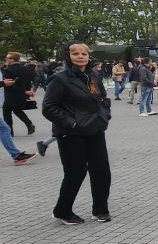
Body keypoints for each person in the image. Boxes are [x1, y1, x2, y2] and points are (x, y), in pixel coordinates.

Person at [42, 43, 113, 225]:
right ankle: (62, 211)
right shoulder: (60, 79)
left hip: (95, 129)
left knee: (102, 171)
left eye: (84, 54)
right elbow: (49, 107)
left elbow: (103, 99)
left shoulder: (93, 76)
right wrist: (72, 123)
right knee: (75, 172)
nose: (81, 56)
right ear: (68, 56)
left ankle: (100, 209)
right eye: (75, 54)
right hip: (71, 133)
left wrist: (104, 116)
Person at [2, 52, 37, 135]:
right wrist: (27, 91)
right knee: (17, 109)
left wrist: (24, 91)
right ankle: (29, 124)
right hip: (22, 95)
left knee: (6, 111)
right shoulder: (25, 69)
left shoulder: (9, 70)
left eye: (7, 58)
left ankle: (10, 131)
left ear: (12, 59)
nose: (6, 59)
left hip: (11, 94)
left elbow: (9, 85)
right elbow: (29, 81)